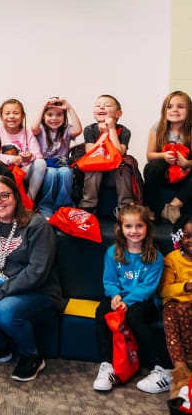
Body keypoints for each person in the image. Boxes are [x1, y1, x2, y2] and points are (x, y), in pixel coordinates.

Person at [0, 175, 64, 382]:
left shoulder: (37, 225)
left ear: (16, 196)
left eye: (4, 195)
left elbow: (37, 272)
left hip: (37, 291)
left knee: (5, 310)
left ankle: (32, 355)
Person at [93, 205, 170, 393]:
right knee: (102, 311)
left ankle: (162, 369)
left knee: (133, 316)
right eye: (128, 226)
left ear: (147, 228)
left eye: (139, 226)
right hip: (118, 297)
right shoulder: (112, 252)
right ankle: (107, 365)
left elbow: (147, 288)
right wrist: (116, 295)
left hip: (143, 301)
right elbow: (109, 280)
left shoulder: (155, 257)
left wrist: (128, 301)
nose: (134, 231)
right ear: (120, 229)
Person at [79, 94, 133, 216]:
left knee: (124, 169)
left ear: (118, 114)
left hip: (115, 171)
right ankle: (88, 205)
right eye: (98, 106)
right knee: (94, 167)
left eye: (107, 105)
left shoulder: (124, 131)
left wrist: (112, 129)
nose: (101, 108)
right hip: (96, 171)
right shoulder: (89, 129)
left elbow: (119, 152)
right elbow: (90, 153)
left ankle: (124, 207)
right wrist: (104, 133)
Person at [144, 91, 192, 223]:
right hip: (164, 175)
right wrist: (164, 155)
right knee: (153, 165)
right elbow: (150, 155)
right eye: (170, 107)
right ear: (164, 110)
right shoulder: (157, 127)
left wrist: (186, 162)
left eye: (180, 107)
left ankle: (173, 206)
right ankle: (148, 209)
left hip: (184, 177)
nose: (174, 110)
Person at [32, 97, 82, 217]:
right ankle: (46, 205)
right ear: (44, 116)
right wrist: (43, 106)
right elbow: (33, 127)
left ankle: (63, 205)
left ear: (64, 117)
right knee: (51, 174)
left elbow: (78, 130)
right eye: (50, 114)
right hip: (46, 164)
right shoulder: (41, 130)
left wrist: (69, 107)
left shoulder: (66, 130)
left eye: (59, 115)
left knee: (66, 173)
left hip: (61, 164)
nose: (54, 118)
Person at [159, 215, 192, 398]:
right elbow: (163, 291)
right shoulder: (172, 259)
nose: (191, 240)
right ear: (181, 237)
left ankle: (186, 365)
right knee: (175, 309)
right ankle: (181, 369)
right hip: (176, 308)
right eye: (187, 236)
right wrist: (186, 286)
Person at [0, 99, 46, 202]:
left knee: (41, 163)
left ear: (23, 116)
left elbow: (38, 154)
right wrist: (12, 159)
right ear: (1, 116)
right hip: (4, 172)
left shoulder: (28, 133)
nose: (11, 116)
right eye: (7, 113)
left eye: (16, 113)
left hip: (23, 172)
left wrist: (30, 156)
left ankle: (28, 201)